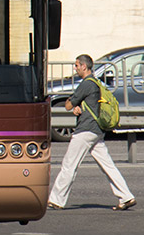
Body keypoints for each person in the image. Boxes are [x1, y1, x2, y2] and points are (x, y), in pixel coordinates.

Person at [47, 54, 137, 211]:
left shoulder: (86, 84)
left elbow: (68, 105)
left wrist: (72, 104)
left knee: (69, 165)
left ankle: (56, 200)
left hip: (85, 131)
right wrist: (78, 107)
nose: (75, 68)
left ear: (83, 66)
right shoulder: (96, 83)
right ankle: (126, 196)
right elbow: (88, 104)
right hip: (96, 131)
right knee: (107, 166)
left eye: (76, 65)